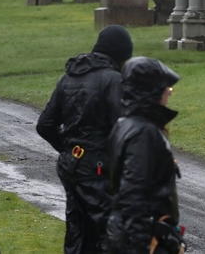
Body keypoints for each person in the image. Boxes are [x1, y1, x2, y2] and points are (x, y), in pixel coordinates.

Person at [36, 25, 133, 254]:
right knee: (105, 232)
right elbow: (125, 127)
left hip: (72, 165)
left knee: (77, 230)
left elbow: (45, 125)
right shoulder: (112, 80)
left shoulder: (68, 78)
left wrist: (69, 148)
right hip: (99, 167)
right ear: (120, 55)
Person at [106, 57, 186, 254]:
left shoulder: (125, 123)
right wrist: (141, 246)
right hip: (143, 237)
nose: (168, 92)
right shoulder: (143, 133)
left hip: (137, 233)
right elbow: (134, 196)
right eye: (165, 88)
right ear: (150, 92)